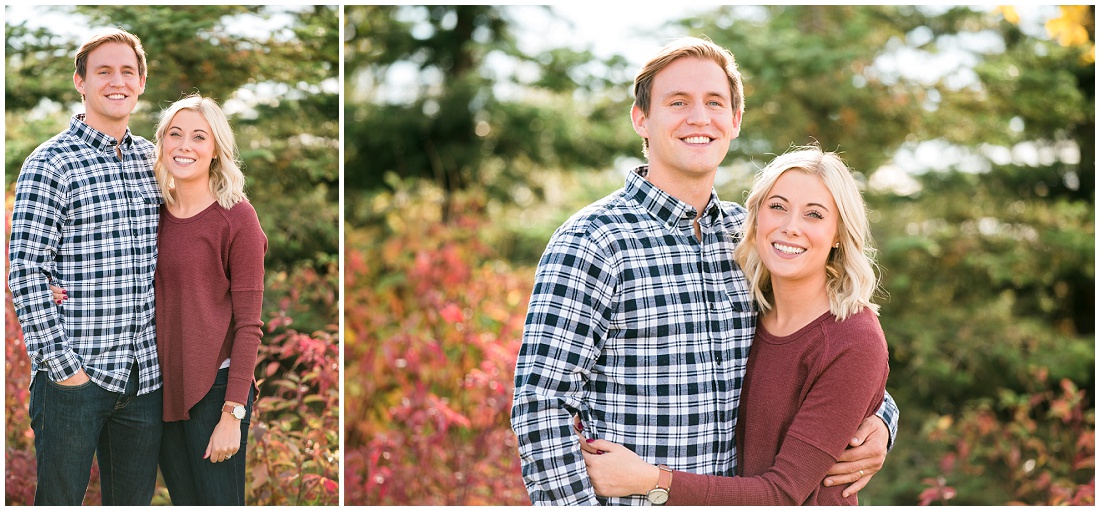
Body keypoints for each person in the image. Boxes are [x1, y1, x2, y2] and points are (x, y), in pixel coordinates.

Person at [510, 36, 898, 506]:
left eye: (714, 103)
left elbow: (823, 349)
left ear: (734, 121)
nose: (699, 118)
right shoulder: (593, 243)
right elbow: (540, 406)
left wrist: (880, 422)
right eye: (678, 102)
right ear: (641, 119)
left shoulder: (752, 239)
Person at [580, 146, 890, 504]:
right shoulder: (745, 305)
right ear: (756, 218)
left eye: (814, 215)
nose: (791, 227)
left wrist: (650, 479)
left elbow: (781, 495)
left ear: (838, 233)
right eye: (778, 207)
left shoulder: (854, 338)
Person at [53, 94, 269, 504]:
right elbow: (112, 268)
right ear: (162, 142)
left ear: (216, 150)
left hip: (214, 390)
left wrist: (232, 414)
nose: (185, 146)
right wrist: (55, 283)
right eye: (175, 134)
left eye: (199, 137)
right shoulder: (154, 211)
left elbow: (249, 325)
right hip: (160, 390)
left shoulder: (237, 217)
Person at [8, 28, 163, 505]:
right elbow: (27, 271)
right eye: (103, 71)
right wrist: (64, 370)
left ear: (140, 82)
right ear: (80, 81)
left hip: (144, 380)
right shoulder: (50, 163)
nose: (116, 81)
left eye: (127, 71)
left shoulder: (152, 161)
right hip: (75, 378)